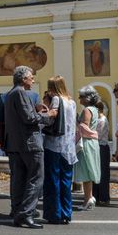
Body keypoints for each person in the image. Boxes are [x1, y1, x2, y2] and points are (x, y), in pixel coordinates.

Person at [3, 66, 57, 229]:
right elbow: (29, 118)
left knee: (19, 179)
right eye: (31, 77)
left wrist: (35, 109)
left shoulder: (11, 94)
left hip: (17, 143)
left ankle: (19, 210)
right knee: (36, 178)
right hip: (29, 143)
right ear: (23, 79)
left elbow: (23, 115)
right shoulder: (20, 93)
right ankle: (26, 213)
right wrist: (48, 116)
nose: (33, 80)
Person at [42, 76, 77, 225]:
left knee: (53, 180)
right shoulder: (72, 102)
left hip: (54, 144)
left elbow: (52, 116)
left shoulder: (56, 99)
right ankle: (66, 212)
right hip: (69, 146)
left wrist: (42, 114)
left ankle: (54, 213)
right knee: (66, 180)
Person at [74, 86, 102, 211]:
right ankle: (89, 197)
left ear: (87, 98)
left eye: (81, 96)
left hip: (86, 142)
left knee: (86, 171)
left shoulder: (87, 110)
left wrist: (76, 122)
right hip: (92, 143)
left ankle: (87, 199)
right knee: (89, 170)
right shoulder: (95, 109)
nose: (79, 98)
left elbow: (84, 128)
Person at [93, 100, 111, 206]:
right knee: (97, 172)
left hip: (102, 147)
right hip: (98, 146)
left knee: (103, 173)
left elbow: (98, 135)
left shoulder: (102, 120)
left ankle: (103, 197)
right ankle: (97, 196)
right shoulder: (98, 119)